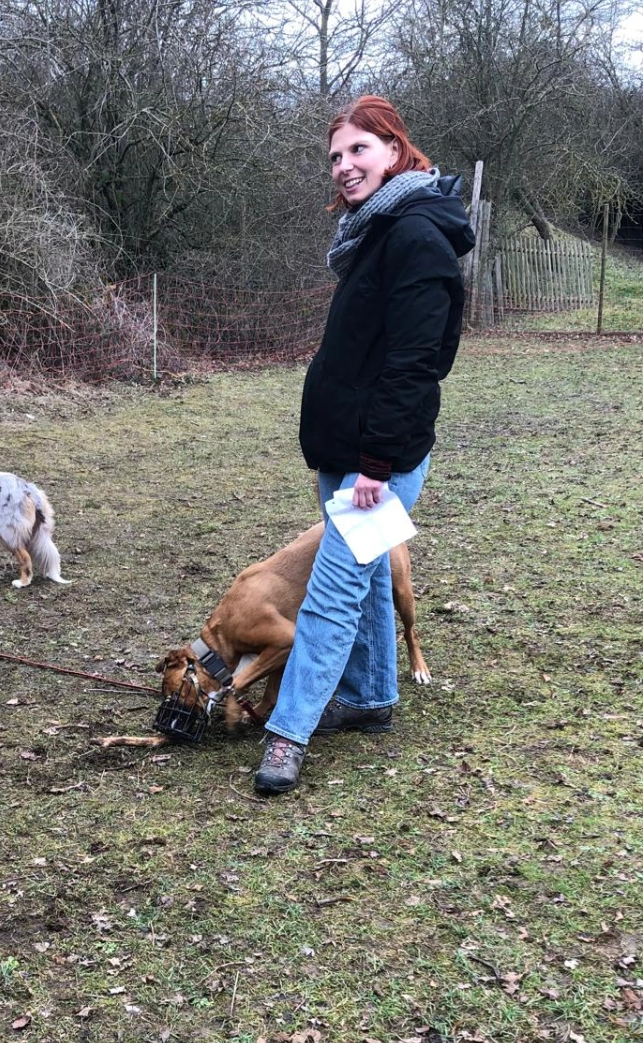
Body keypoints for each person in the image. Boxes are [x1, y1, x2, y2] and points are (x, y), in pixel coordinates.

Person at [254, 96, 474, 796]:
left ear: (393, 148)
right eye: (334, 157)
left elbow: (416, 361)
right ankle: (372, 697)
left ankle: (287, 734)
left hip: (378, 455)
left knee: (332, 588)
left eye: (357, 151)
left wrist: (376, 463)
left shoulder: (415, 235)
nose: (343, 167)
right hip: (343, 443)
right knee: (369, 575)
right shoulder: (372, 231)